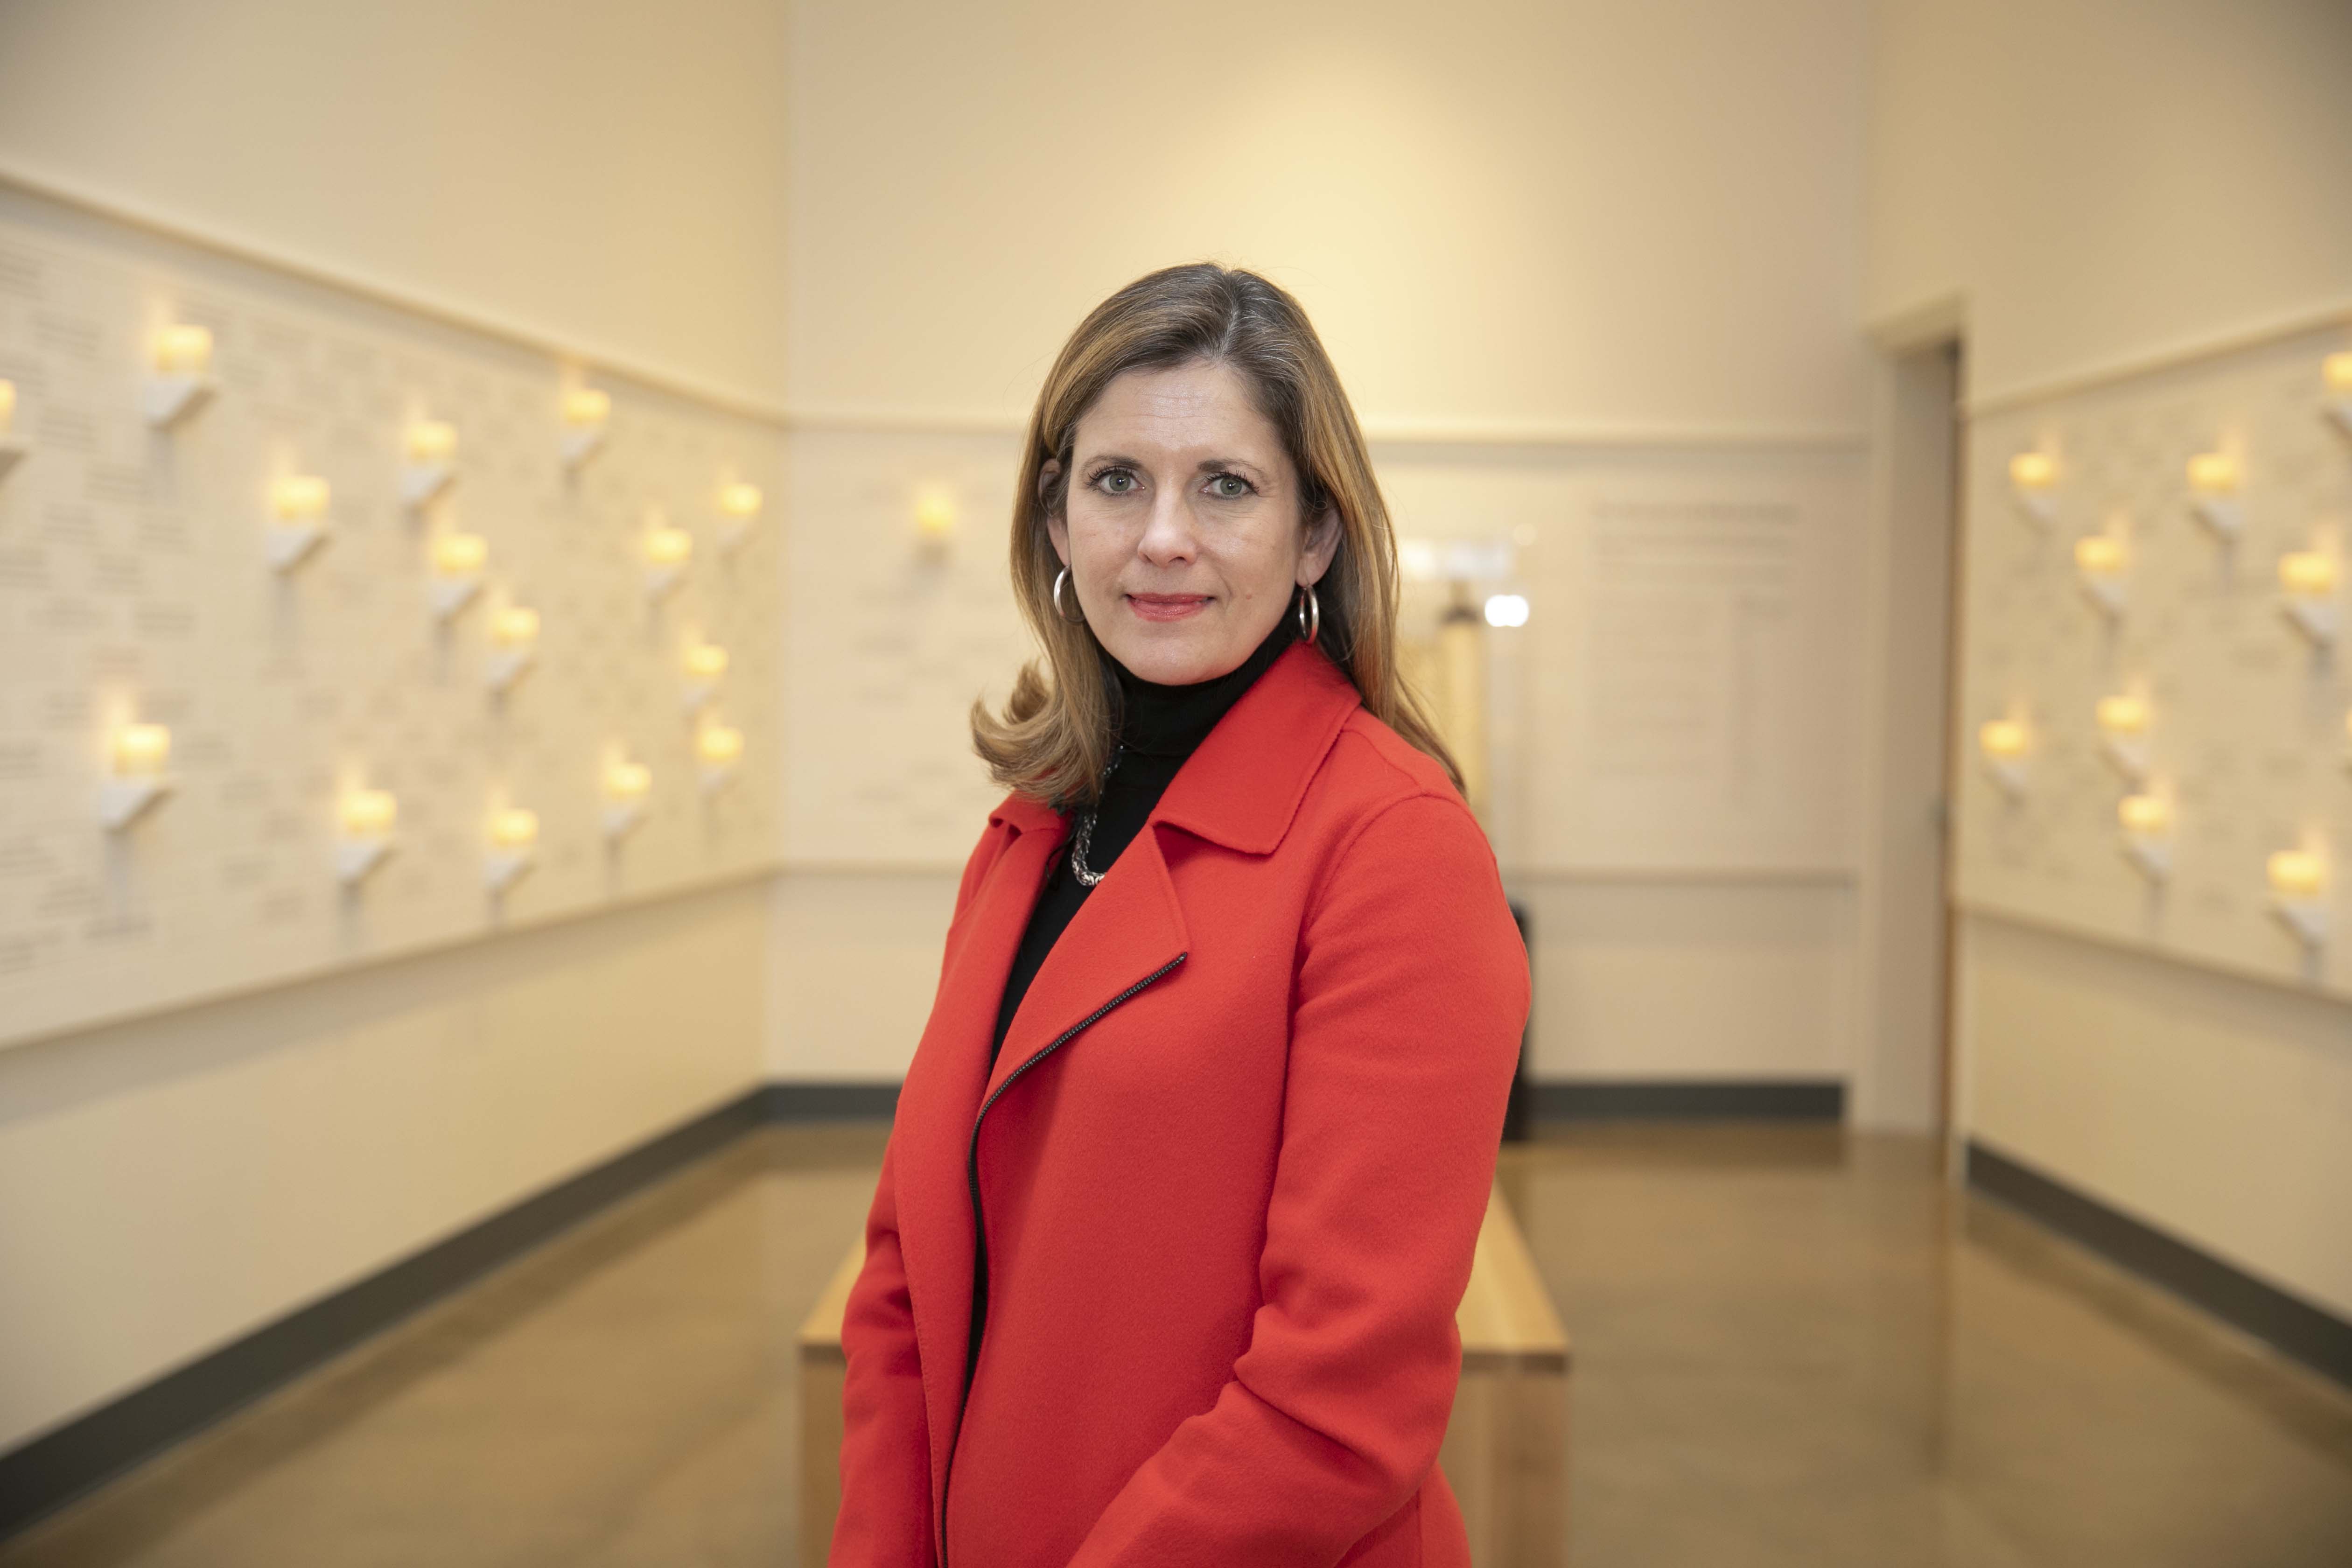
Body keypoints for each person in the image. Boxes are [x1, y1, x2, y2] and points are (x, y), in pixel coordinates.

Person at [830, 262, 1529, 1567]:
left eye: (1226, 486)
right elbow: (905, 1282)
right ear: (1055, 520)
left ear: (1315, 536)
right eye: (1117, 481)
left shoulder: (1395, 849)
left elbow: (1343, 1397)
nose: (1163, 537)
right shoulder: (1033, 831)